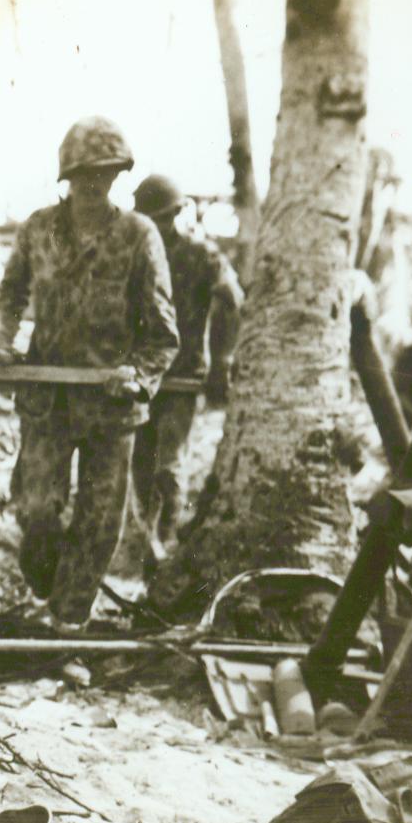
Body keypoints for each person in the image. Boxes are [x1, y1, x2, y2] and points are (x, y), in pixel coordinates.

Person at [0, 117, 179, 629]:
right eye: (86, 173)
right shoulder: (38, 229)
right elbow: (10, 292)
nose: (96, 183)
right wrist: (2, 335)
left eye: (108, 173)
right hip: (47, 398)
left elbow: (163, 332)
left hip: (111, 406)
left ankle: (67, 623)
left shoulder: (139, 236)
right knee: (37, 509)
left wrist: (137, 374)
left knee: (98, 524)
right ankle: (47, 583)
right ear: (67, 175)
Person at [130, 173, 244, 565]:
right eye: (152, 219)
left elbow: (232, 300)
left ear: (178, 214)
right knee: (141, 463)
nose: (159, 228)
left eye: (164, 218)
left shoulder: (200, 255)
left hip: (181, 376)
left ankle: (167, 540)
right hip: (142, 376)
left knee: (168, 463)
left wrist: (223, 359)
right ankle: (148, 542)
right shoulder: (135, 254)